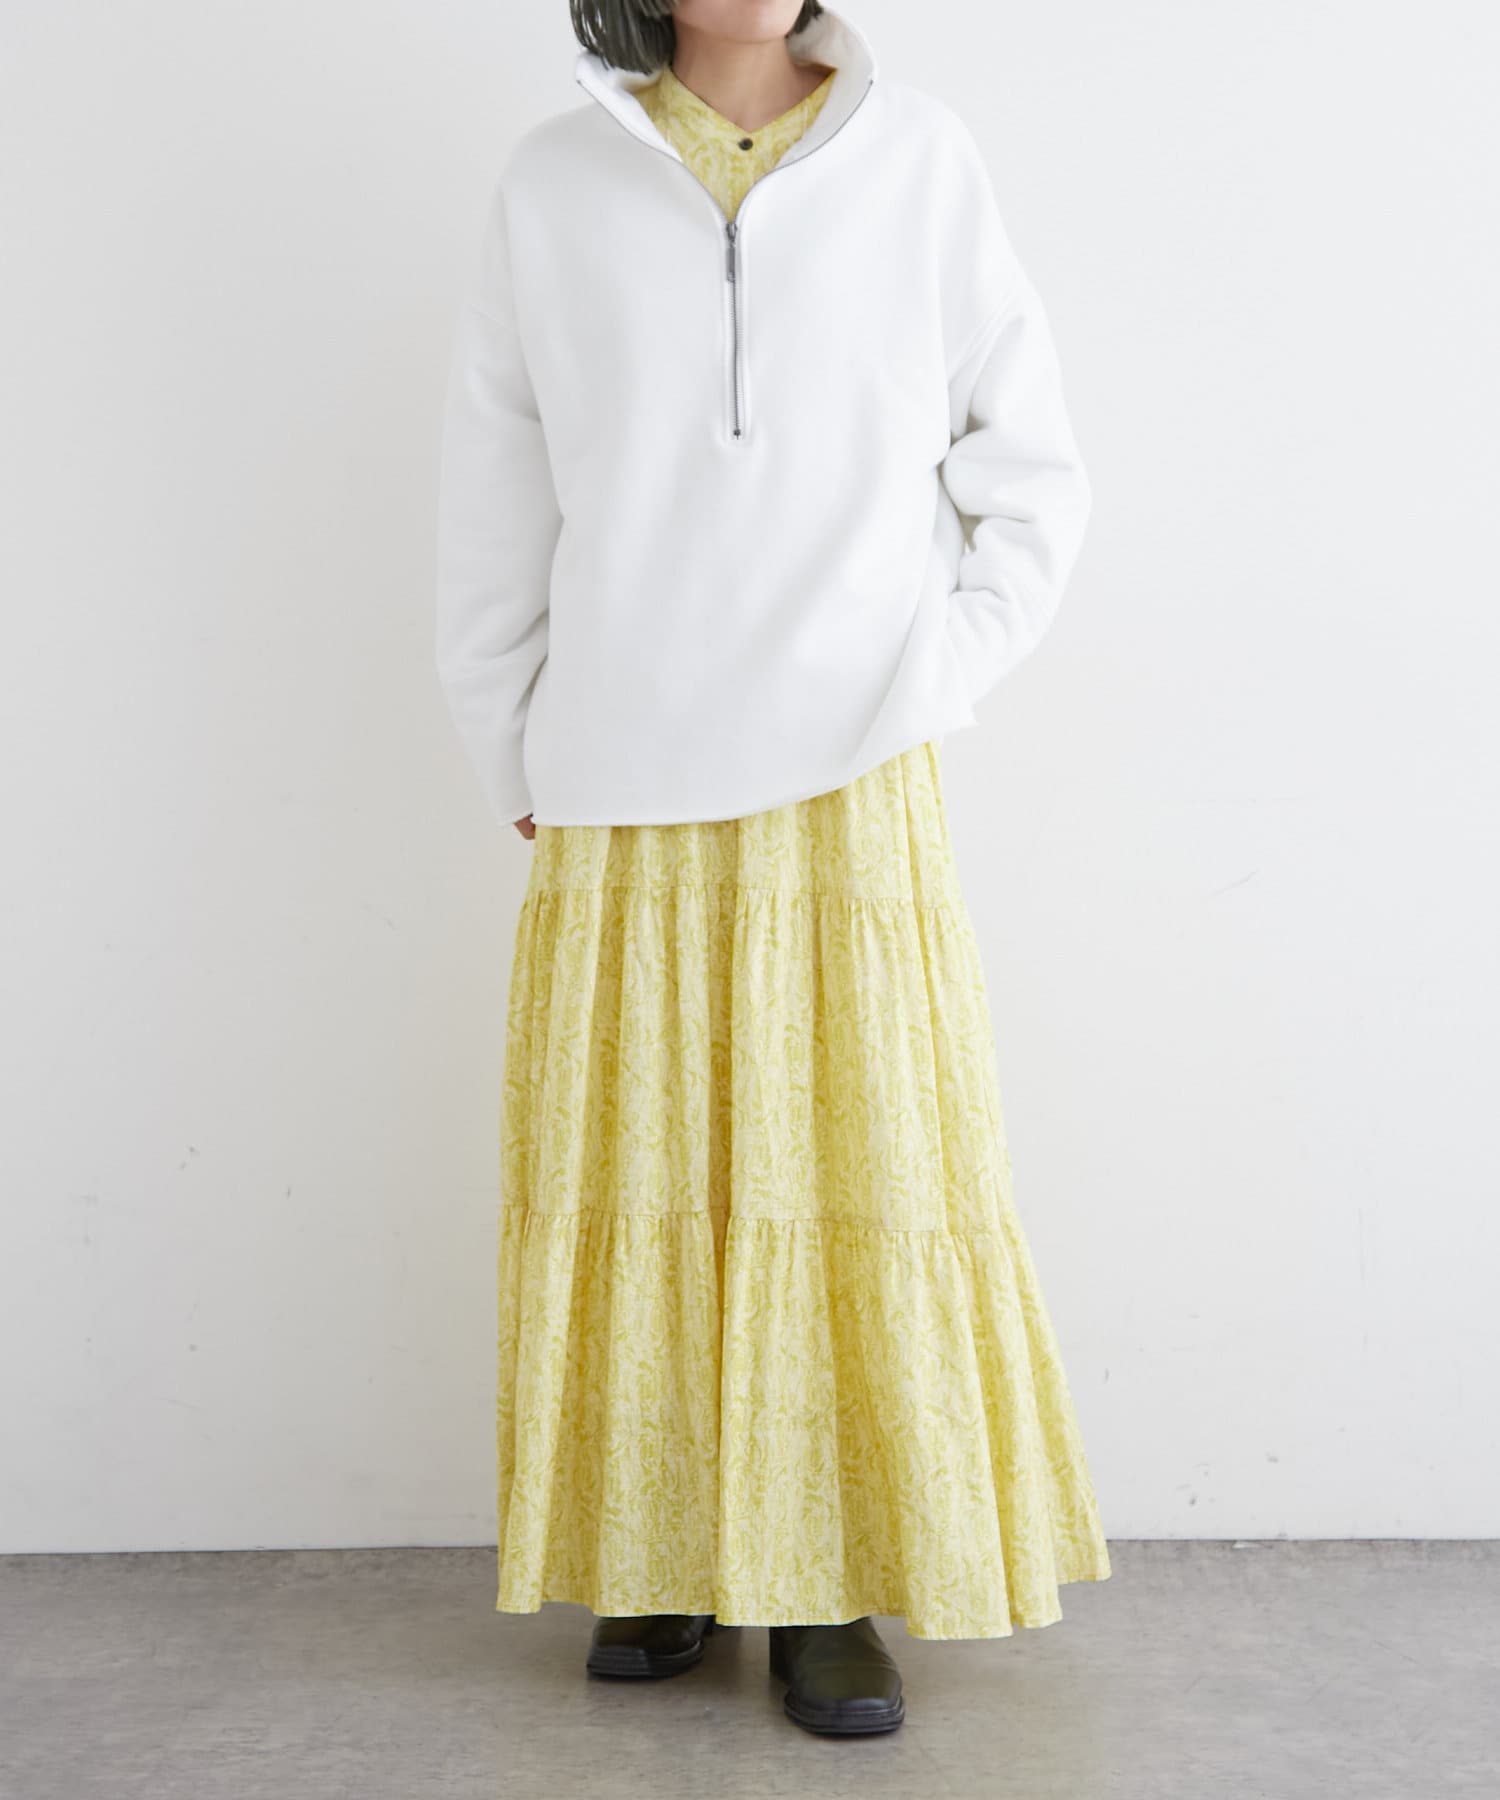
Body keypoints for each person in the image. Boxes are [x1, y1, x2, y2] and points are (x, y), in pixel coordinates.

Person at [434, 0, 1110, 1739]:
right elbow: (494, 485)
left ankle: (825, 1585)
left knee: (854, 1167)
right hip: (621, 766)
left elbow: (1032, 471)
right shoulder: (554, 182)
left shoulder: (920, 158)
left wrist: (934, 673)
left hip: (852, 769)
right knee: (641, 1167)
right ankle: (656, 1550)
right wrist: (512, 738)